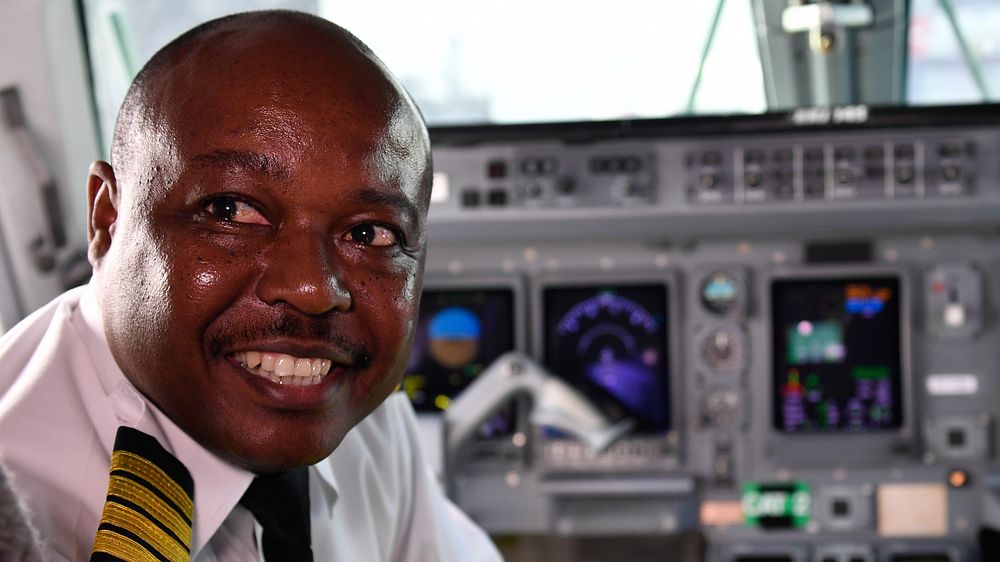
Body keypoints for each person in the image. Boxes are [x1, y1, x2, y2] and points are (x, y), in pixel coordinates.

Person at [0, 10, 502, 562]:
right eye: (230, 210)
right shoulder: (22, 508)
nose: (313, 289)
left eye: (368, 232)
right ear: (107, 218)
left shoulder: (361, 411)